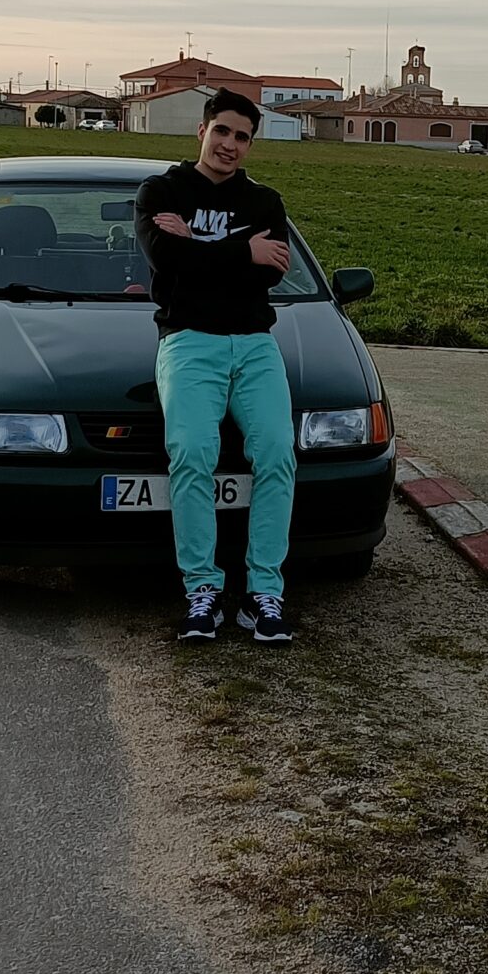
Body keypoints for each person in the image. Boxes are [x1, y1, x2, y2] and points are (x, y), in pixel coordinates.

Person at [135, 89, 297, 644]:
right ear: (201, 131)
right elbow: (163, 258)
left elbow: (270, 273)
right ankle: (201, 590)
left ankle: (263, 593)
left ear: (251, 144)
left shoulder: (265, 202)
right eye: (222, 131)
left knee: (277, 451)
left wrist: (198, 248)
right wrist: (238, 251)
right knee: (192, 453)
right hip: (189, 341)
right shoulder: (162, 190)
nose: (230, 145)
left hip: (254, 344)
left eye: (242, 137)